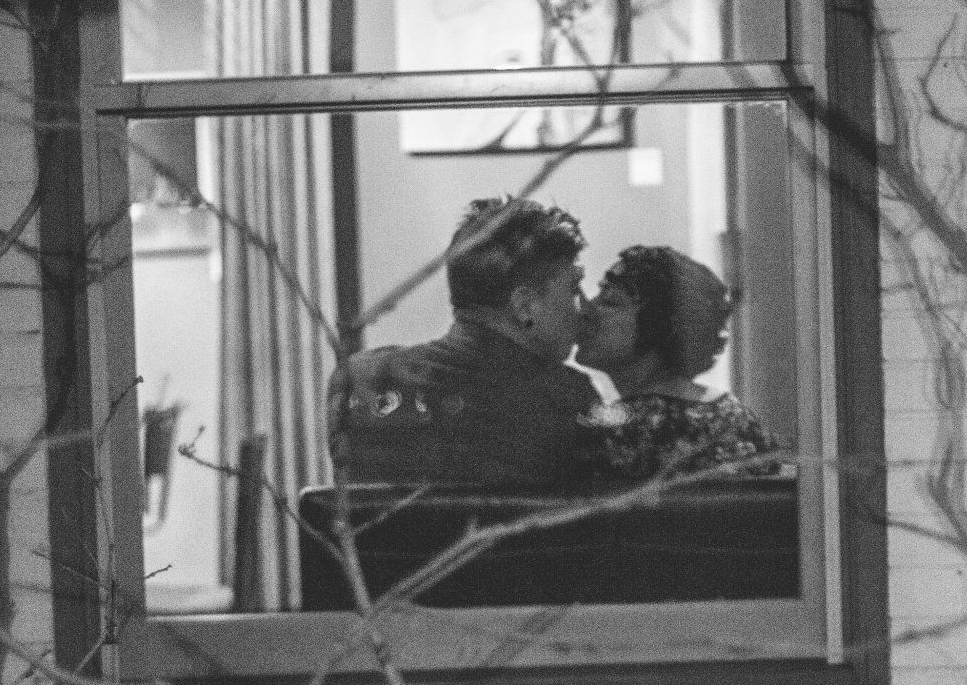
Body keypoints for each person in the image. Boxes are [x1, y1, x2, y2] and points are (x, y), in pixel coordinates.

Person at [328, 196, 605, 492]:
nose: (586, 307)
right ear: (524, 306)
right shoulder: (566, 398)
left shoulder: (359, 379)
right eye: (574, 289)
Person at [574, 245, 782, 477]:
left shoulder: (626, 432)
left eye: (611, 303)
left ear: (659, 325)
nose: (587, 312)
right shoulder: (736, 416)